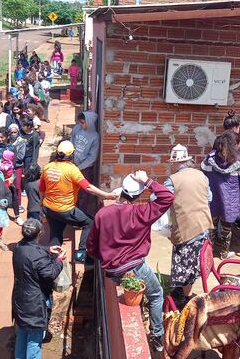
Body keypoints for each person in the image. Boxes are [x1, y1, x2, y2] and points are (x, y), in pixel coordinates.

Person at [86, 171, 174, 352]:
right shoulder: (142, 212)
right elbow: (167, 197)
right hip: (135, 267)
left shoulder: (103, 214)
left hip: (112, 270)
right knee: (156, 294)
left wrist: (104, 258)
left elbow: (91, 246)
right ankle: (157, 336)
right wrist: (147, 180)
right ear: (138, 195)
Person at [40, 141, 118, 263]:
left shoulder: (48, 167)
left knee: (56, 235)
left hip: (49, 208)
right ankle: (81, 253)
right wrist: (107, 195)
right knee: (90, 222)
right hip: (66, 210)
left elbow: (41, 189)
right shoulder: (72, 170)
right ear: (71, 155)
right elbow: (88, 187)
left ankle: (51, 261)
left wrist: (42, 205)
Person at [161, 144, 213, 309]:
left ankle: (185, 301)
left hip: (186, 230)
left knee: (185, 268)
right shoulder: (201, 175)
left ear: (175, 163)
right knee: (194, 264)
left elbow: (159, 199)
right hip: (203, 226)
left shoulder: (172, 180)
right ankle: (182, 292)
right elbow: (209, 198)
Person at [12, 218, 65, 359]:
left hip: (20, 299)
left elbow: (30, 252)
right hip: (35, 302)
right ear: (40, 233)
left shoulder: (18, 247)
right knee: (34, 341)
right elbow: (50, 273)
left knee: (22, 334)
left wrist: (47, 250)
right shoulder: (38, 256)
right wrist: (59, 261)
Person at [201, 132, 240, 259]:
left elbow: (203, 172)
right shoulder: (239, 160)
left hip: (213, 198)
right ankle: (224, 253)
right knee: (226, 227)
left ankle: (209, 252)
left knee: (211, 226)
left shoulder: (209, 158)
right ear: (235, 145)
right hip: (230, 200)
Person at [71, 112, 99, 214]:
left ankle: (81, 213)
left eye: (83, 123)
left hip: (85, 168)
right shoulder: (77, 129)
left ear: (89, 122)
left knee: (83, 192)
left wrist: (80, 167)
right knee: (72, 189)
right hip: (73, 164)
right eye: (79, 122)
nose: (80, 125)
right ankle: (72, 209)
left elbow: (92, 157)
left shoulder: (95, 137)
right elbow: (71, 142)